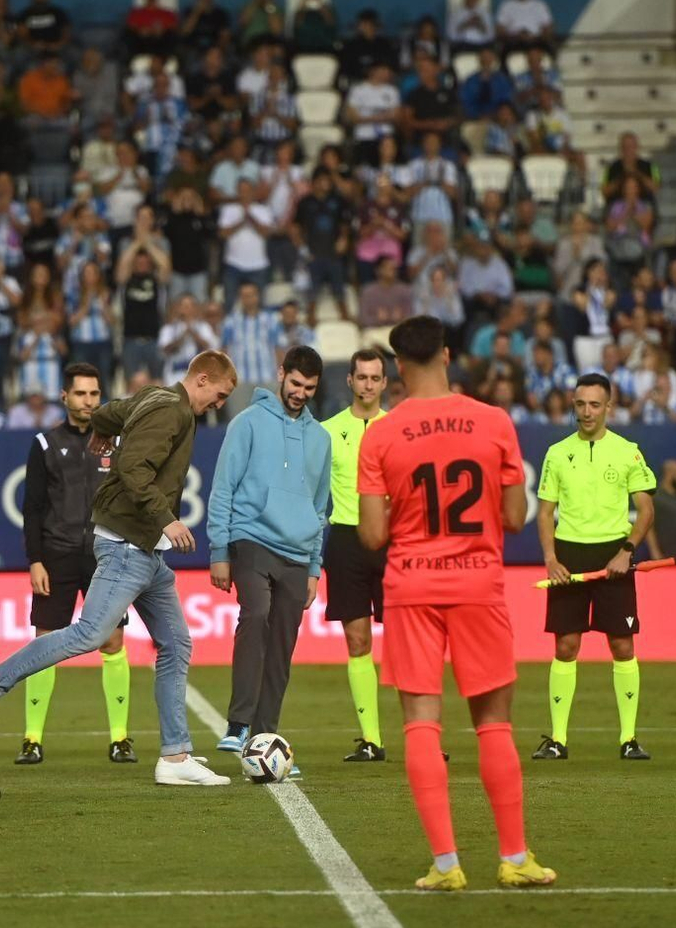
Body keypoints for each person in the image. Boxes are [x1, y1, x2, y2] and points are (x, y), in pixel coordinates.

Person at [0, 352, 238, 789]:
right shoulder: (172, 410)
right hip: (128, 546)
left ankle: (176, 755)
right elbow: (131, 467)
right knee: (88, 634)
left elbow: (107, 411)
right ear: (202, 379)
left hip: (145, 553)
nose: (219, 404)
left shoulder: (153, 395)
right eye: (219, 395)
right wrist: (167, 517)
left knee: (177, 643)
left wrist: (102, 432)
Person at [357, 315, 555, 892]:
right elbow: (516, 517)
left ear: (397, 366)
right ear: (447, 354)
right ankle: (515, 858)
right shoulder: (493, 422)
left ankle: (446, 866)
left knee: (421, 724)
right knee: (494, 724)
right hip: (477, 584)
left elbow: (371, 536)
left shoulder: (382, 434)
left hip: (412, 587)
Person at [210, 347, 330, 771]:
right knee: (256, 612)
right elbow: (223, 487)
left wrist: (315, 567)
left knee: (283, 643)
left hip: (298, 551)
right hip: (252, 538)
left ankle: (265, 736)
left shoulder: (321, 439)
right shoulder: (247, 423)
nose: (300, 393)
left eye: (309, 388)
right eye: (295, 383)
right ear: (281, 374)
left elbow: (320, 507)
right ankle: (239, 723)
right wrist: (219, 551)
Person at [16, 364, 136, 766]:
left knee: (113, 642)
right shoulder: (45, 444)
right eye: (81, 394)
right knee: (45, 642)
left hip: (105, 555)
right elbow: (31, 509)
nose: (89, 402)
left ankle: (120, 738)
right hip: (57, 554)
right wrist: (35, 560)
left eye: (95, 394)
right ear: (64, 397)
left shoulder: (117, 443)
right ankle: (32, 739)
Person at [533, 374, 657, 762]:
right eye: (580, 404)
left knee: (622, 644)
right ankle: (556, 739)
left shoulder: (628, 451)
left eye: (594, 404)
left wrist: (626, 551)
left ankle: (629, 739)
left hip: (612, 555)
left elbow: (646, 508)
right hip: (569, 556)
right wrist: (552, 559)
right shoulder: (556, 453)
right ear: (573, 405)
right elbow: (545, 512)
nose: (586, 412)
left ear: (609, 407)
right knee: (566, 645)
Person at [317, 350, 390, 762]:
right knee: (357, 640)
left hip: (393, 541)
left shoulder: (398, 428)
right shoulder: (327, 432)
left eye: (374, 377)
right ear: (349, 381)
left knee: (407, 644)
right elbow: (314, 495)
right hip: (345, 539)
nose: (367, 384)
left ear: (384, 383)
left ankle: (422, 735)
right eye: (360, 377)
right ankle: (371, 740)